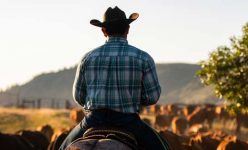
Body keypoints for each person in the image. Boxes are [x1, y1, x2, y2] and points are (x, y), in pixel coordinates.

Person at [59, 6, 169, 150]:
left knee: (61, 147)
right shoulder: (143, 58)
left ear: (103, 31)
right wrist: (133, 98)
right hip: (128, 121)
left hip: (93, 120)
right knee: (163, 147)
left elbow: (79, 96)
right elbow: (152, 97)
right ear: (128, 29)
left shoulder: (87, 58)